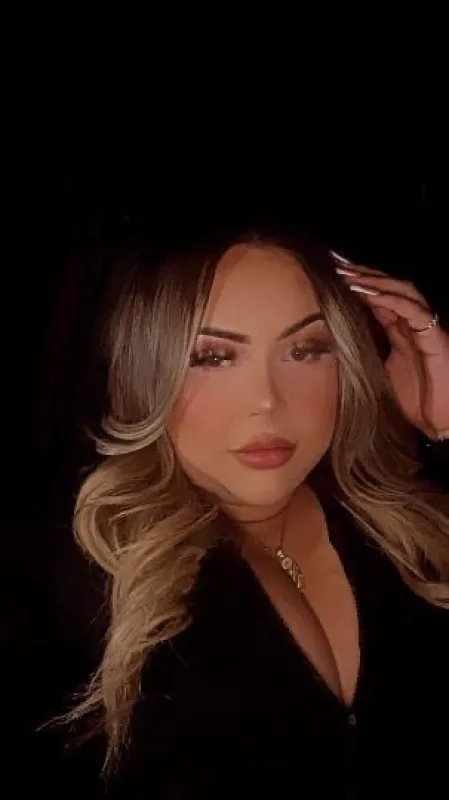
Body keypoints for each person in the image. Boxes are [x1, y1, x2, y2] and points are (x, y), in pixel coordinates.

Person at [7, 220, 449, 797]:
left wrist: (444, 424)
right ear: (147, 371)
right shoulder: (66, 573)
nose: (267, 399)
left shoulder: (401, 521)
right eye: (213, 356)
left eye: (304, 350)